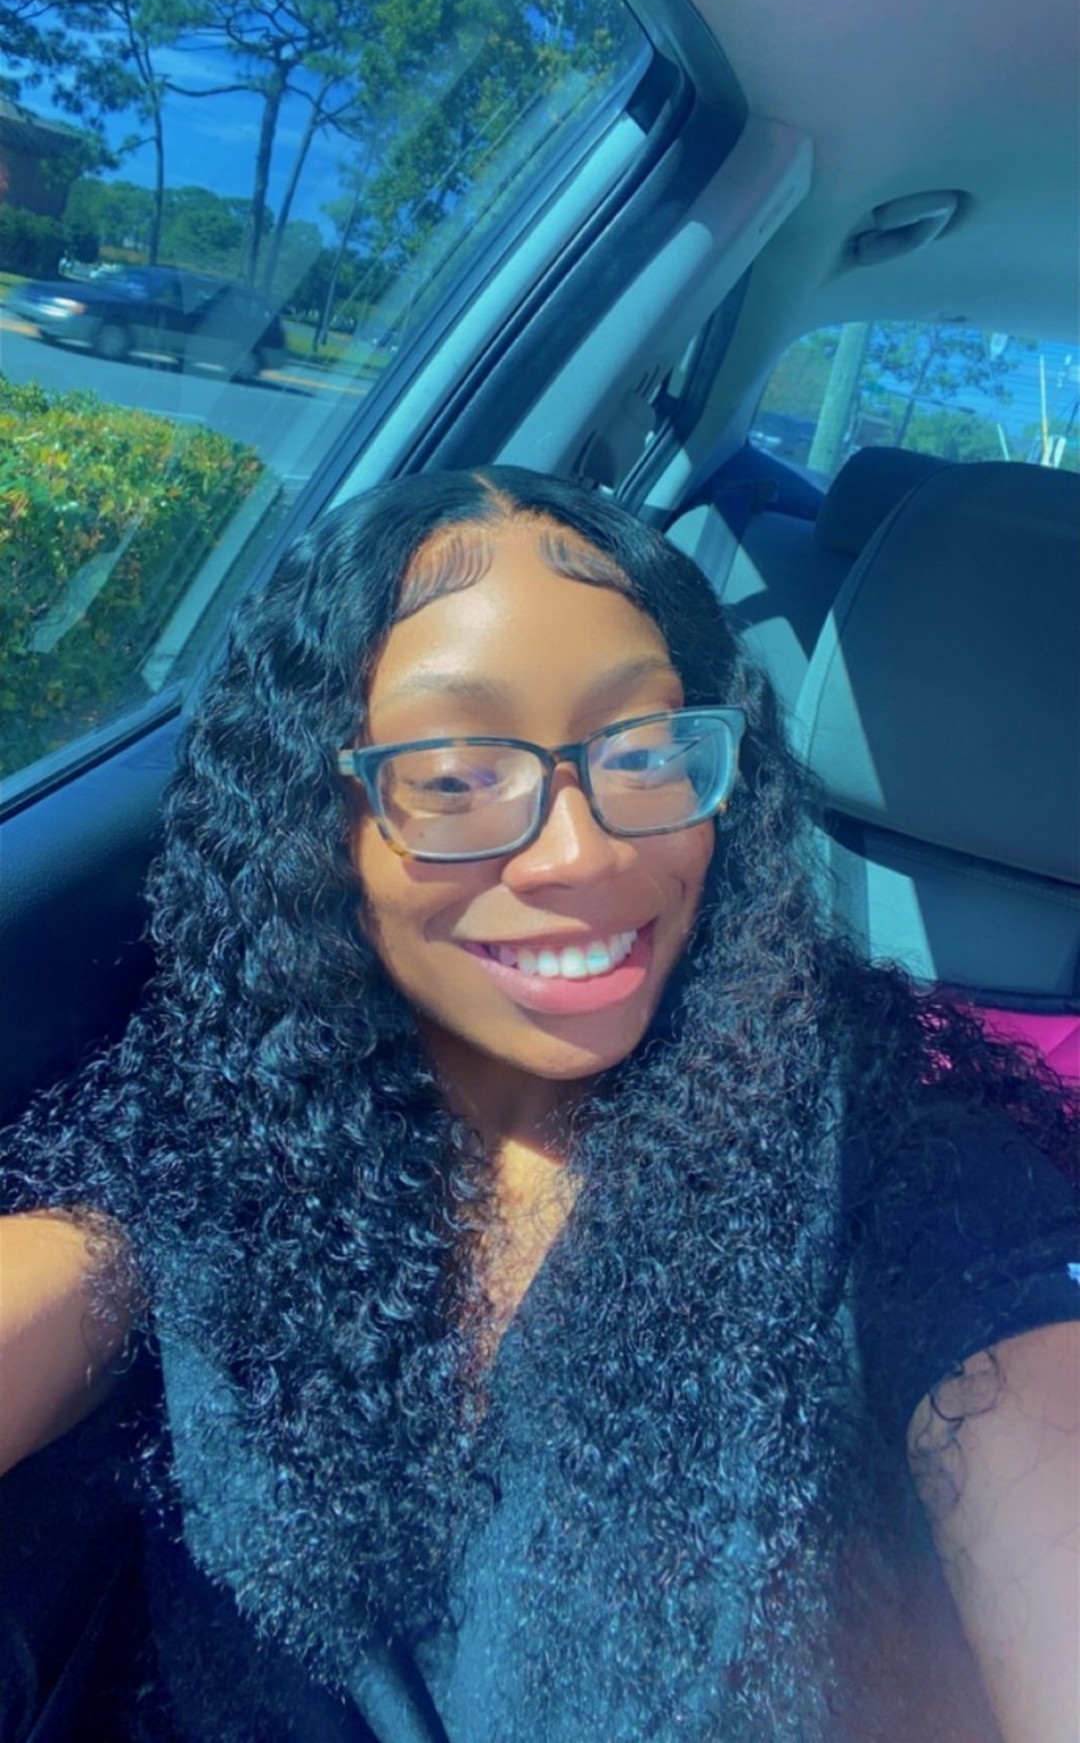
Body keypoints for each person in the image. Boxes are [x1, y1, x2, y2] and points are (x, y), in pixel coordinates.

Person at [1, 466, 1077, 1743]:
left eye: (649, 751)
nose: (585, 852)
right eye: (458, 776)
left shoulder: (914, 1179)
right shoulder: (219, 1125)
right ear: (314, 816)